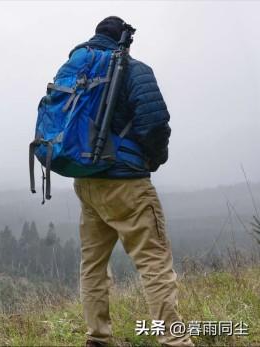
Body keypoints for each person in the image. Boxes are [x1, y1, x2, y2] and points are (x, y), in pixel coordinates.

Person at [71, 17, 194, 347]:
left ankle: (97, 337)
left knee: (92, 266)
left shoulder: (76, 67)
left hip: (87, 182)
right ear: (124, 39)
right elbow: (155, 124)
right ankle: (175, 342)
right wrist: (152, 161)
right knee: (154, 264)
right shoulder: (133, 69)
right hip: (126, 184)